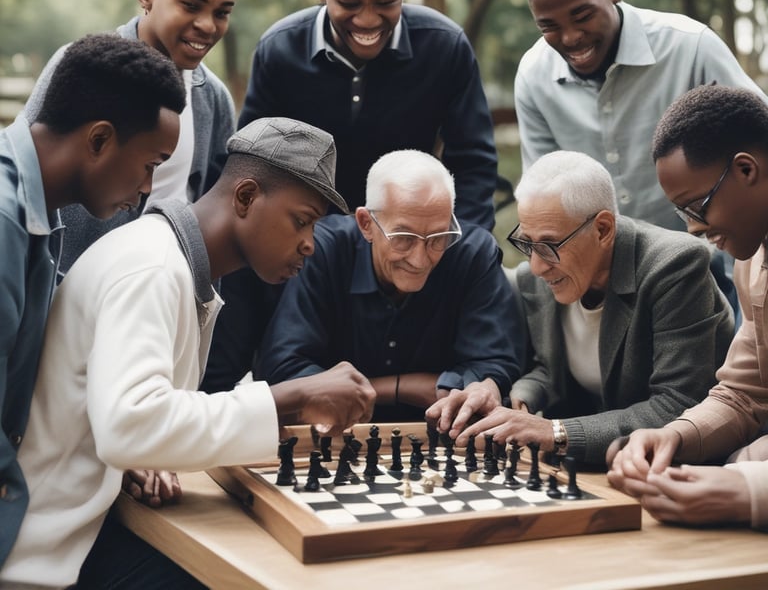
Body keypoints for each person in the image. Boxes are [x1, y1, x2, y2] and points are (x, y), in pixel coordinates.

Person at [0, 117, 376, 589]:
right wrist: (290, 396)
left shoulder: (173, 262)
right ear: (245, 197)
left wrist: (135, 455)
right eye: (301, 220)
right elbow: (131, 425)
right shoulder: (155, 267)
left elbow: (122, 426)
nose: (309, 243)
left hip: (84, 533)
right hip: (41, 556)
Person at [0, 32, 185, 570]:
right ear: (100, 139)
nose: (149, 189)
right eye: (151, 163)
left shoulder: (40, 213)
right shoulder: (6, 219)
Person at [427, 150, 734, 466]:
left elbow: (678, 405)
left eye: (548, 245)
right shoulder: (540, 279)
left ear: (603, 229)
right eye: (527, 243)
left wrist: (556, 431)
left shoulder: (674, 266)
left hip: (679, 468)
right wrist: (521, 400)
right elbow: (549, 369)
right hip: (598, 469)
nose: (535, 266)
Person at [239, 0, 497, 228]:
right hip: (309, 239)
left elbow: (474, 165)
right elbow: (254, 165)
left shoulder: (445, 46)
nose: (368, 19)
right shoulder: (279, 50)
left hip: (411, 234)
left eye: (386, 0)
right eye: (349, 2)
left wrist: (459, 243)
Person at [25, 0, 241, 276]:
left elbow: (212, 210)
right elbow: (29, 179)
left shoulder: (214, 99)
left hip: (159, 290)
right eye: (191, 5)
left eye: (222, 13)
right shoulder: (86, 66)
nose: (208, 25)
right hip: (72, 287)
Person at [514, 0, 761, 231]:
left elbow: (760, 143)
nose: (571, 37)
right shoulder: (533, 76)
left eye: (582, 16)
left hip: (713, 253)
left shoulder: (691, 47)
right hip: (607, 269)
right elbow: (543, 192)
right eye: (548, 27)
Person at [256, 149, 522, 422]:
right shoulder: (323, 250)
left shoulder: (472, 252)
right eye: (404, 237)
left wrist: (360, 388)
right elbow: (282, 372)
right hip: (332, 436)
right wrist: (404, 388)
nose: (420, 260)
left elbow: (494, 367)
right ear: (366, 224)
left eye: (438, 238)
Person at [607, 85, 768, 529]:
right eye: (683, 214)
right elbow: (745, 394)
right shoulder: (750, 261)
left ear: (746, 169)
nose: (695, 228)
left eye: (698, 206)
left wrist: (747, 491)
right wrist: (674, 436)